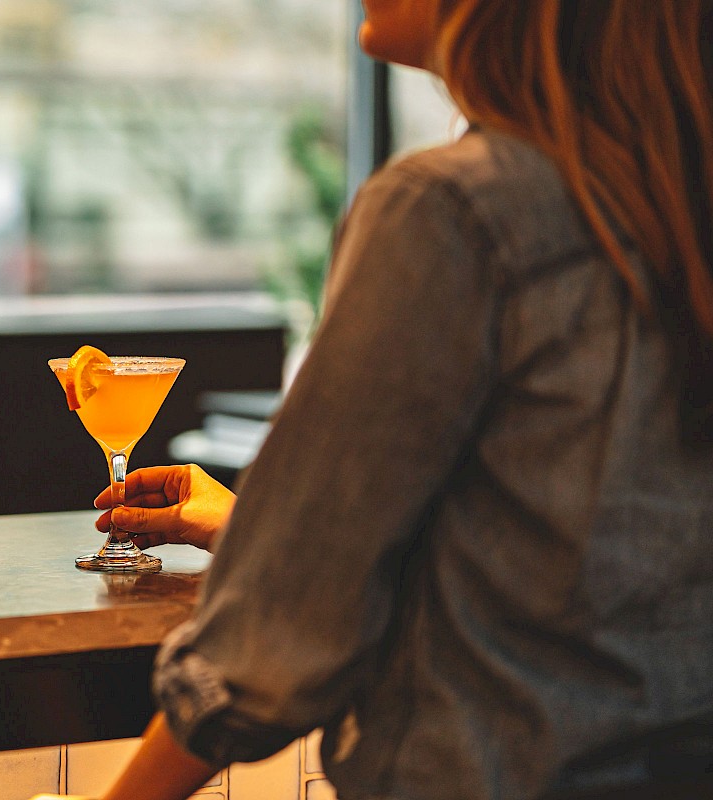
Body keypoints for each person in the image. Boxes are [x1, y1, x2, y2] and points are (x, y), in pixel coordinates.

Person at [78, 2, 713, 799]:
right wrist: (264, 529)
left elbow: (269, 654)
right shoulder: (670, 204)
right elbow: (592, 565)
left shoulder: (450, 210)